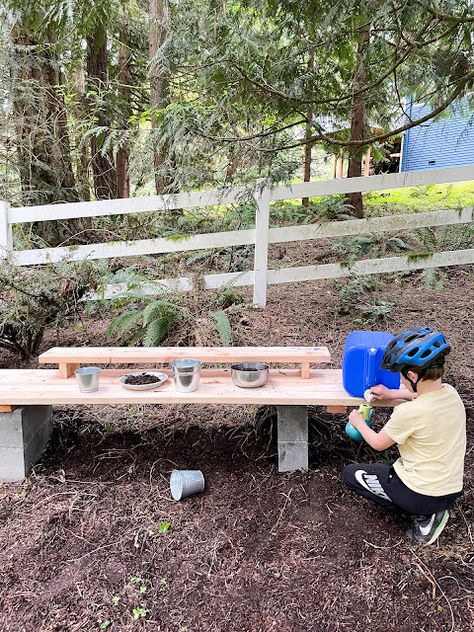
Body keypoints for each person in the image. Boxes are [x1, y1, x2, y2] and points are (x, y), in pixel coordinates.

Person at [342, 326, 466, 545]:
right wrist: (393, 393)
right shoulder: (451, 394)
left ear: (412, 375)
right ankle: (433, 509)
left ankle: (425, 519)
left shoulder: (408, 413)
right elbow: (419, 395)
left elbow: (378, 443)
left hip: (422, 493)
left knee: (351, 474)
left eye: (402, 377)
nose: (402, 381)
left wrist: (358, 423)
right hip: (450, 490)